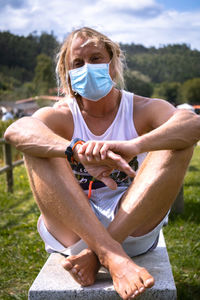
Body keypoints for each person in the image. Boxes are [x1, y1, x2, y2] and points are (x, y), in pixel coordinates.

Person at [4, 27, 200, 300]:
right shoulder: (61, 114)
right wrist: (74, 150)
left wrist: (136, 145)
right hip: (73, 230)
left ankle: (99, 255)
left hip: (132, 226)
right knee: (36, 147)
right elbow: (17, 131)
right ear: (67, 73)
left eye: (96, 58)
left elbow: (192, 123)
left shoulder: (140, 108)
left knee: (177, 140)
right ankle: (109, 254)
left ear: (113, 62)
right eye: (78, 63)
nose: (88, 67)